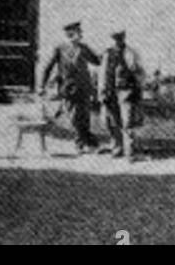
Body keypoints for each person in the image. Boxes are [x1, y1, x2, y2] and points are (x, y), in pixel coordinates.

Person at [40, 21, 101, 153]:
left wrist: (104, 53)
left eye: (81, 32)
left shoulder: (84, 48)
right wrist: (42, 85)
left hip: (84, 87)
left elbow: (97, 61)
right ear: (70, 34)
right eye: (79, 32)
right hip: (68, 88)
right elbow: (48, 67)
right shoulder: (60, 48)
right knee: (74, 117)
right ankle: (86, 141)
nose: (81, 35)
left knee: (84, 116)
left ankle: (82, 143)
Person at [100, 29, 143, 161]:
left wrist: (137, 85)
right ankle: (117, 147)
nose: (117, 40)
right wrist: (102, 92)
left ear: (124, 38)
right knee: (112, 121)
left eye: (120, 38)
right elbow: (103, 74)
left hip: (127, 91)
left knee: (128, 121)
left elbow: (139, 73)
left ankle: (129, 151)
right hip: (111, 92)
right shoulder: (108, 53)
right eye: (115, 38)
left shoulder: (131, 53)